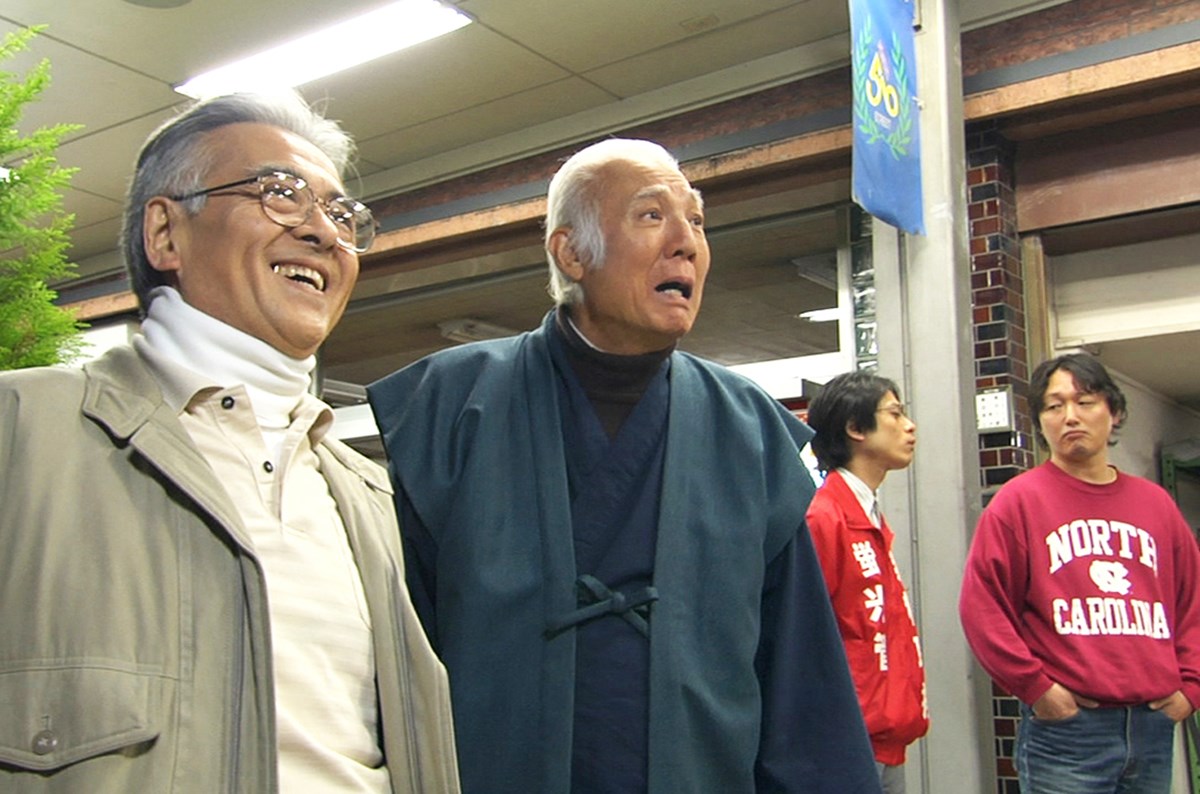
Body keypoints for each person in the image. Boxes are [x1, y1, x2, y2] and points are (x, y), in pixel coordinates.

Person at [368, 138, 880, 793]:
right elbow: (392, 656)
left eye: (696, 220)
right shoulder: (452, 408)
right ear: (571, 252)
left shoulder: (745, 430)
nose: (686, 242)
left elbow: (801, 681)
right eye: (651, 215)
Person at [0, 91, 458, 793]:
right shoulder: (23, 431)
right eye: (279, 193)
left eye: (341, 215)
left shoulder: (371, 496)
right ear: (165, 233)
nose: (323, 233)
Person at [959, 353, 1200, 793]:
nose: (1070, 416)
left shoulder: (1156, 505)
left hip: (1152, 725)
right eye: (1054, 406)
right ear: (1040, 421)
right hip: (1067, 732)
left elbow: (1193, 603)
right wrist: (1037, 689)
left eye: (1084, 402)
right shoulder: (1019, 502)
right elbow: (982, 607)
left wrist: (1191, 687)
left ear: (1114, 411)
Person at [804, 372, 928, 793]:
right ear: (856, 428)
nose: (909, 426)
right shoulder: (824, 518)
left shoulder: (866, 516)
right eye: (895, 413)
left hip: (883, 740)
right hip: (845, 743)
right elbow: (804, 638)